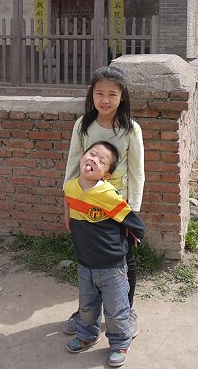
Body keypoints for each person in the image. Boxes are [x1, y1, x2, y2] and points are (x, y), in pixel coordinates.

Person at [62, 66, 145, 337]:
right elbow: (73, 166)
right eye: (99, 93)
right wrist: (68, 206)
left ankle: (126, 310)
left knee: (125, 259)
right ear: (92, 95)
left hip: (117, 209)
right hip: (84, 209)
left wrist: (132, 214)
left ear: (122, 97)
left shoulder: (131, 130)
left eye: (112, 94)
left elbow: (137, 173)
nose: (105, 99)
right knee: (87, 260)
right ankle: (87, 314)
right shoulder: (83, 125)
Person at [64, 141, 145, 367]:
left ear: (106, 175)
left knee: (116, 309)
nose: (94, 160)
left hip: (112, 266)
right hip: (85, 262)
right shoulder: (71, 187)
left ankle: (119, 343)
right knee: (87, 306)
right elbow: (69, 203)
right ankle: (87, 335)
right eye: (91, 154)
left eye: (101, 161)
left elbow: (131, 220)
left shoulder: (107, 193)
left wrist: (136, 237)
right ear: (82, 157)